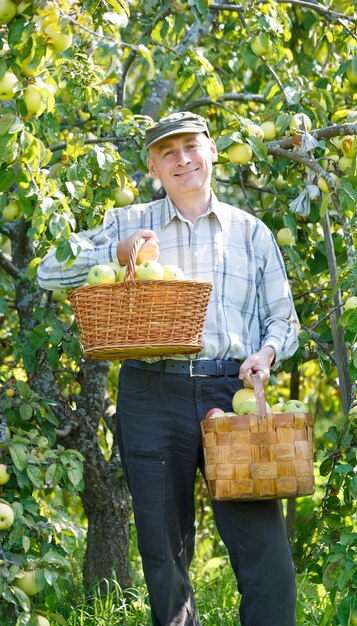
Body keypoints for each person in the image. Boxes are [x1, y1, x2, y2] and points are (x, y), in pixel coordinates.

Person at [37, 111, 300, 626]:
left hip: (233, 394)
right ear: (154, 166)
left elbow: (282, 319)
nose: (182, 159)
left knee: (266, 555)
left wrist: (265, 355)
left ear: (212, 152)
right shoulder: (130, 224)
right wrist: (115, 250)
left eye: (191, 147)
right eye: (168, 152)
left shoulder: (252, 232)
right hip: (153, 393)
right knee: (163, 553)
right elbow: (50, 269)